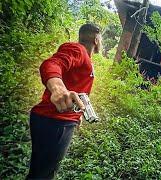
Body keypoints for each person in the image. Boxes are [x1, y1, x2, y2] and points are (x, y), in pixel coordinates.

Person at [26, 23, 102, 179]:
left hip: (59, 120)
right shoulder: (77, 50)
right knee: (42, 176)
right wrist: (58, 87)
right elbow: (51, 64)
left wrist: (78, 113)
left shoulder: (86, 58)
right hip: (55, 121)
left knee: (43, 171)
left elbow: (78, 88)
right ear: (96, 39)